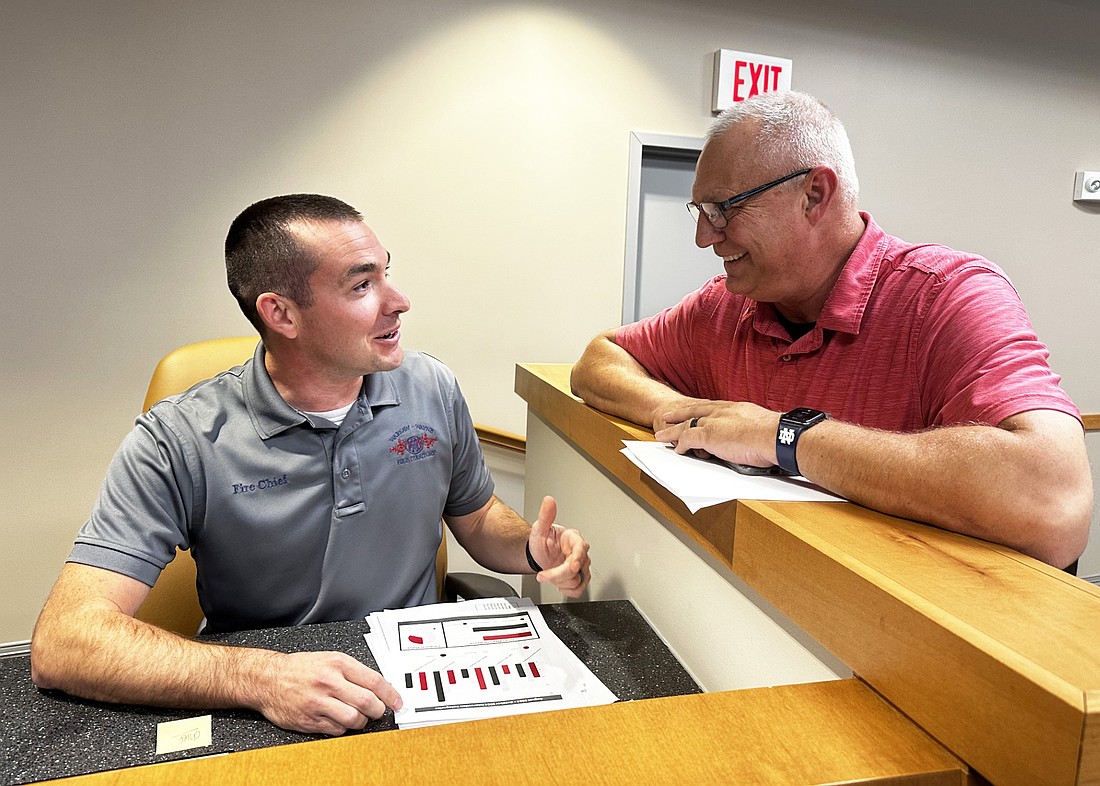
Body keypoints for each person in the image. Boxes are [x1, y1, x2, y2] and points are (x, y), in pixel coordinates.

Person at [31, 194, 591, 736]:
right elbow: (65, 641)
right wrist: (259, 676)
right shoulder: (179, 438)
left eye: (386, 274)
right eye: (362, 285)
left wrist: (529, 548)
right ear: (281, 313)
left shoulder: (431, 387)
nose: (398, 301)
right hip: (270, 694)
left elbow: (475, 517)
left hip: (417, 679)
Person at [570, 91, 1091, 570]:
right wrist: (683, 416)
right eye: (700, 211)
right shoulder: (726, 307)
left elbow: (1054, 502)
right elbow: (598, 362)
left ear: (815, 194)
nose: (705, 237)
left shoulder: (948, 295)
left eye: (723, 209)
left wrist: (783, 437)